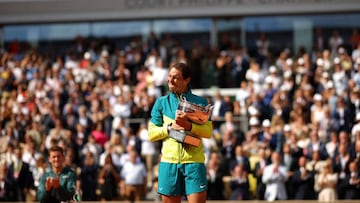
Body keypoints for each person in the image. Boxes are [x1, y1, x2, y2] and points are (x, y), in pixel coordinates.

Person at [148, 62, 213, 203]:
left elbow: (208, 132)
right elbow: (152, 134)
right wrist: (170, 128)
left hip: (194, 163)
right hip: (168, 163)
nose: (170, 80)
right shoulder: (161, 102)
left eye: (176, 77)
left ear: (187, 80)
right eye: (170, 76)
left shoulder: (200, 102)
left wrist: (189, 126)